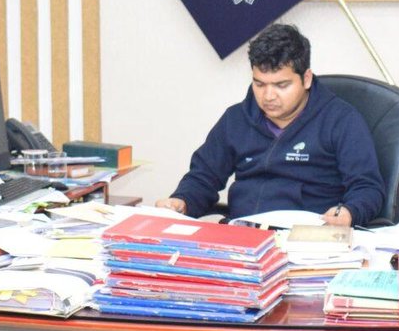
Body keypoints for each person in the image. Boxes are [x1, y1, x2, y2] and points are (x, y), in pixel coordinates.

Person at [155, 23, 384, 226]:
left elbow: (367, 188)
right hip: (243, 236)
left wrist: (349, 212)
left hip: (307, 240)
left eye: (281, 85)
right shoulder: (236, 119)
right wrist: (181, 201)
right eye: (259, 84)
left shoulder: (341, 120)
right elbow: (203, 177)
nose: (268, 96)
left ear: (306, 79)